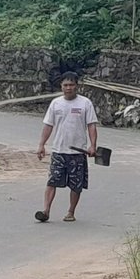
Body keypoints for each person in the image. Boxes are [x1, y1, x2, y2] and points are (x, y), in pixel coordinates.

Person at [35, 72, 99, 223]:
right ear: (61, 87)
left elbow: (91, 125)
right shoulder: (56, 103)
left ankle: (71, 211)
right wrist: (41, 145)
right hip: (59, 150)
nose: (68, 88)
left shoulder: (85, 103)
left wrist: (93, 145)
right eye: (65, 85)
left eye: (71, 85)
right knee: (52, 181)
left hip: (78, 152)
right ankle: (46, 211)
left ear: (77, 86)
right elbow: (48, 125)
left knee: (76, 185)